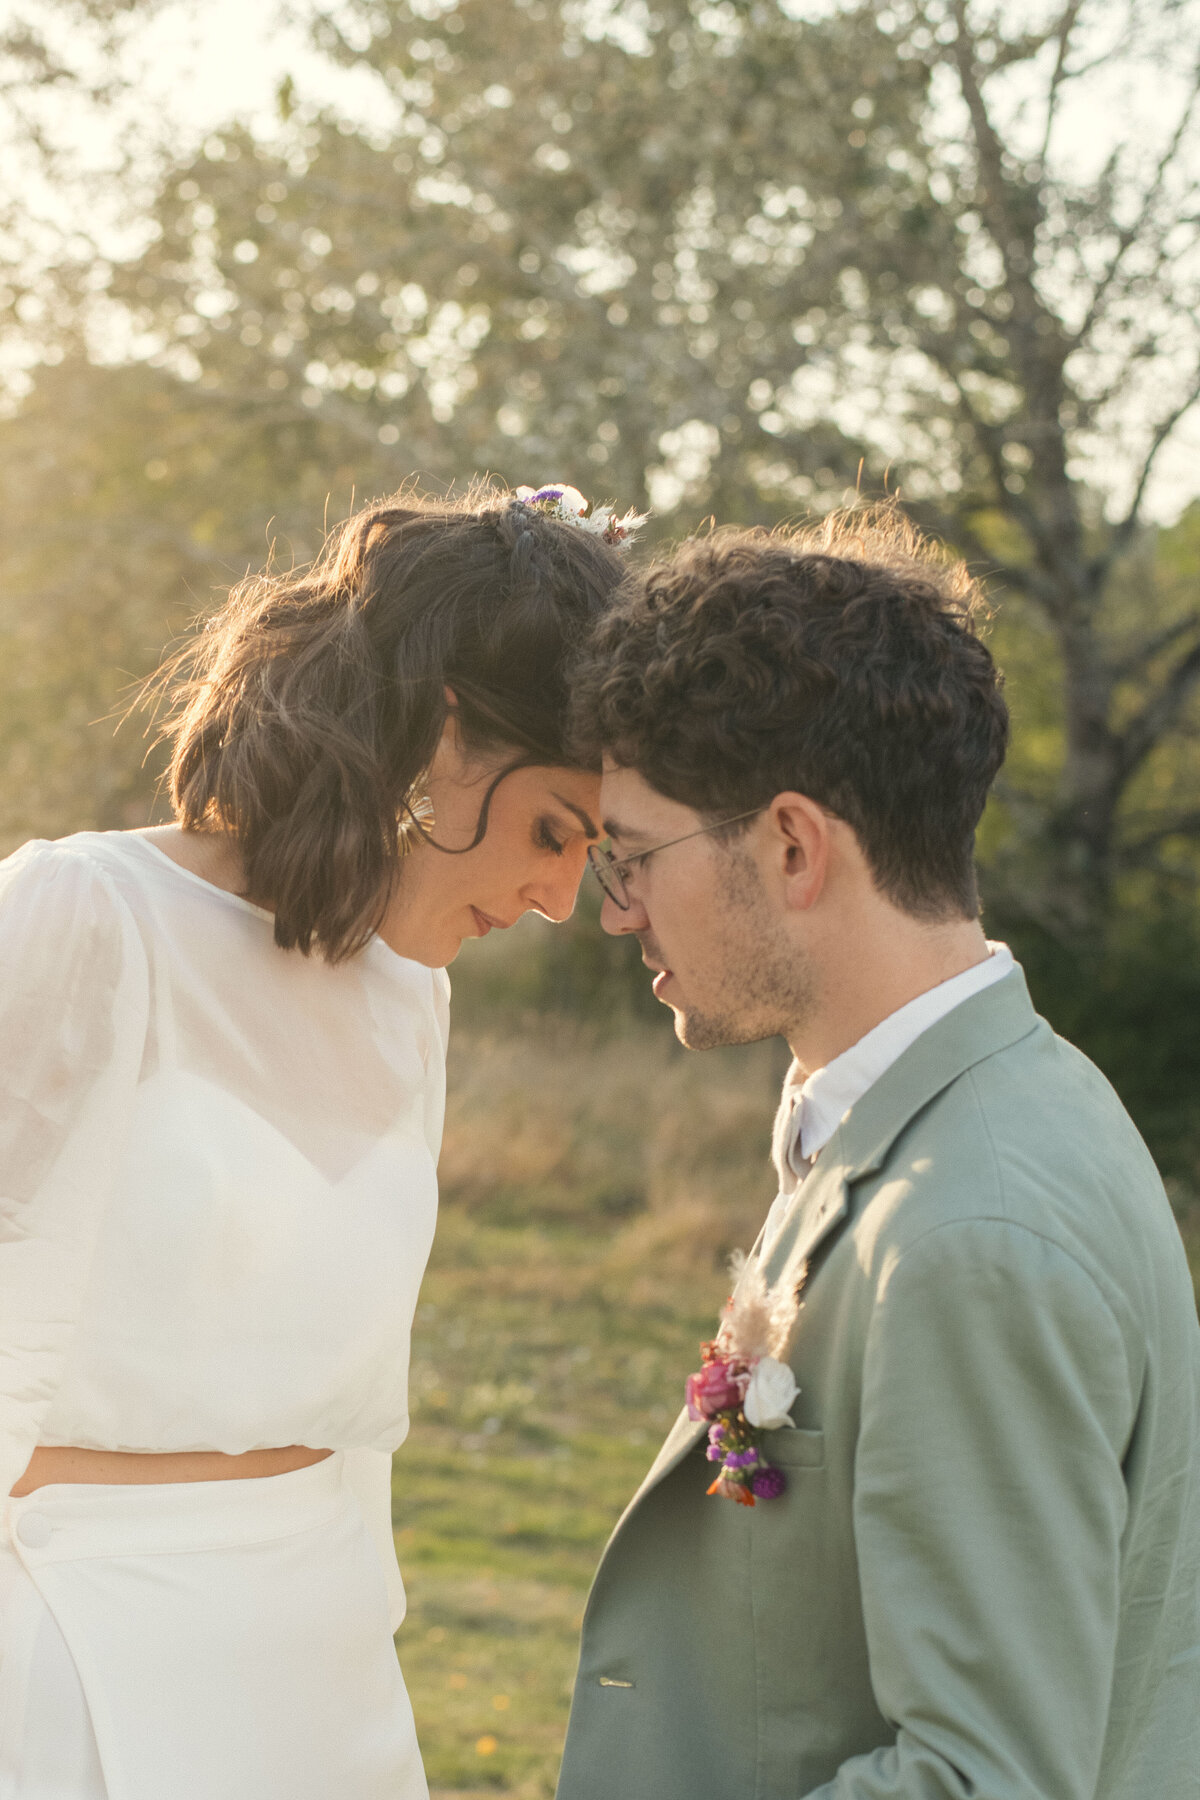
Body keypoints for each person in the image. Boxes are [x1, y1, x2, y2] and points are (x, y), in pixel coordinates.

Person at [0, 482, 631, 1800]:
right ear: (443, 737)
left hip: (324, 1671)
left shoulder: (417, 999)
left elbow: (360, 1417)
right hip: (76, 1651)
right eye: (553, 830)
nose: (561, 898)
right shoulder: (86, 915)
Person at [556, 509, 1200, 1800]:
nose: (613, 907)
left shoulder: (972, 1231)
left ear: (794, 845)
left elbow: (985, 1779)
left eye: (631, 856)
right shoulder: (955, 1117)